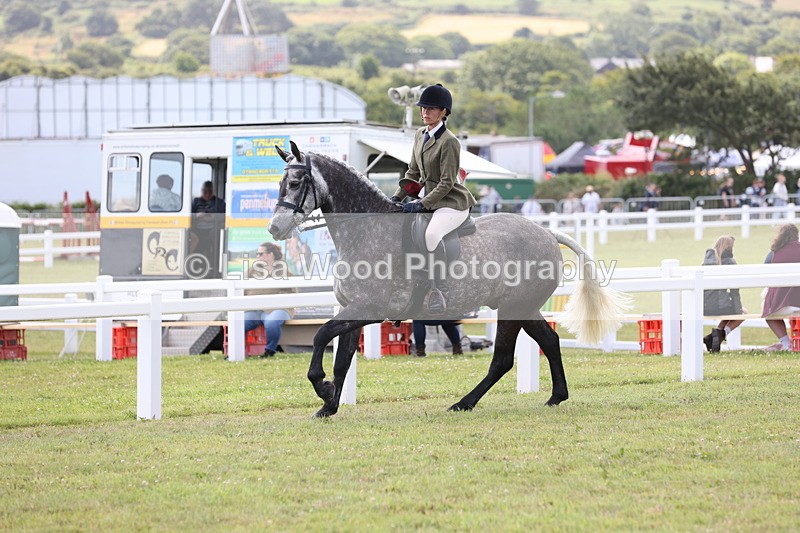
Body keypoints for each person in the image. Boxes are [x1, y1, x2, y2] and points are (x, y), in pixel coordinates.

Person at [390, 83, 476, 315]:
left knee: (431, 234)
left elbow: (447, 182)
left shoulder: (450, 142)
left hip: (451, 202)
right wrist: (396, 198)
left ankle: (440, 289)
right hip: (429, 199)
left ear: (444, 112)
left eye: (431, 109)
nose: (424, 112)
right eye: (422, 108)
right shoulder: (419, 135)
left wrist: (421, 203)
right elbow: (412, 173)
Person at [244, 242, 297, 358]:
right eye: (256, 254)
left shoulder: (284, 272)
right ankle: (237, 352)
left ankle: (269, 351)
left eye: (260, 253)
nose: (257, 256)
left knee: (272, 322)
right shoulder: (251, 271)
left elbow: (292, 293)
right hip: (255, 310)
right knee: (239, 322)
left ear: (270, 254)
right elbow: (241, 291)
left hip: (277, 309)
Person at [701, 235, 745, 352]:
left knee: (729, 311)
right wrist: (738, 310)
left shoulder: (706, 262)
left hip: (704, 307)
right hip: (721, 306)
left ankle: (716, 334)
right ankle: (719, 334)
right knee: (742, 313)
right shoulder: (730, 262)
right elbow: (735, 291)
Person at [761, 224, 800, 351]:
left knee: (767, 312)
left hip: (780, 306)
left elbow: (765, 277)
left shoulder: (773, 253)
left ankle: (786, 343)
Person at [190, 181, 226, 254]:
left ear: (213, 191)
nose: (207, 194)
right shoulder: (196, 201)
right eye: (205, 192)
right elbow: (188, 216)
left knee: (216, 236)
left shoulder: (220, 202)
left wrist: (214, 217)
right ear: (201, 191)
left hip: (213, 228)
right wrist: (197, 215)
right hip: (197, 228)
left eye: (210, 192)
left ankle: (214, 259)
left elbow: (225, 216)